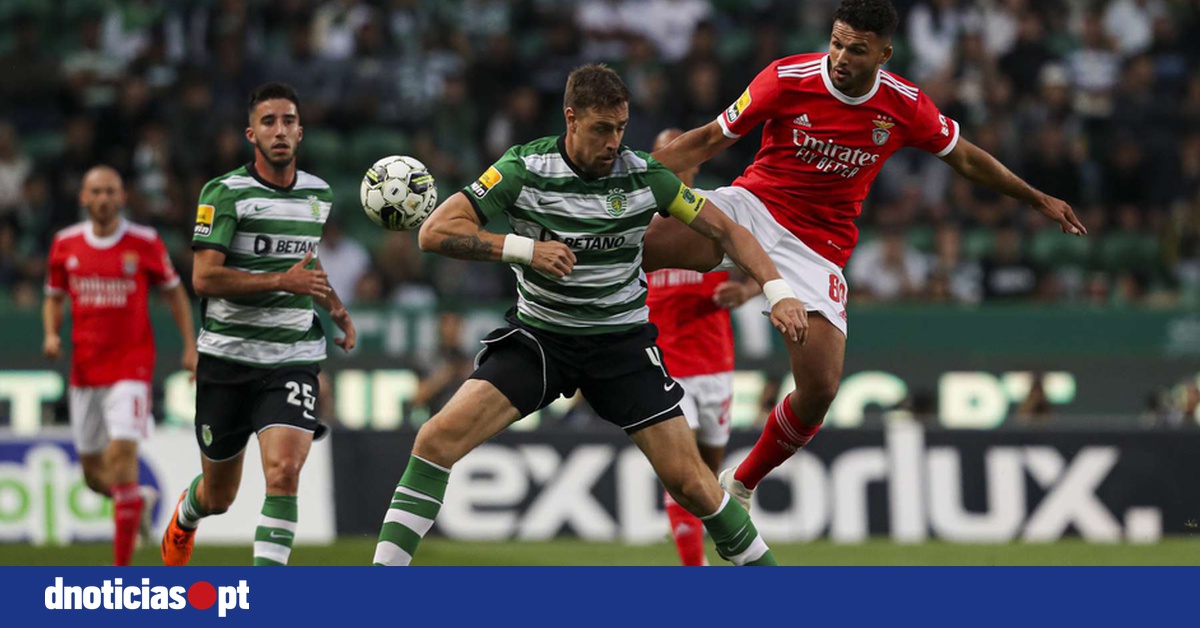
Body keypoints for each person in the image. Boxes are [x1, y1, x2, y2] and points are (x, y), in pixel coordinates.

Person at [643, 0, 1087, 510]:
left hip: (817, 249)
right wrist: (620, 184)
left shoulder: (904, 105)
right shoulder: (786, 78)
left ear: (884, 53)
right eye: (836, 43)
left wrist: (1036, 198)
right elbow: (704, 142)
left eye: (856, 49)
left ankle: (741, 483)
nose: (840, 58)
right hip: (753, 207)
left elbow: (965, 158)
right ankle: (557, 310)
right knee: (640, 245)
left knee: (820, 390)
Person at [372, 64, 807, 567]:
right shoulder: (523, 169)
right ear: (570, 118)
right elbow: (435, 232)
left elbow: (729, 232)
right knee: (435, 440)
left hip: (620, 344)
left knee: (694, 485)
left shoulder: (644, 175)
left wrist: (777, 290)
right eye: (602, 128)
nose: (613, 143)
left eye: (621, 128)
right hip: (541, 340)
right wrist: (524, 250)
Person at [160, 82, 357, 567]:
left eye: (289, 121)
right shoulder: (225, 193)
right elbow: (203, 278)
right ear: (252, 133)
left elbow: (305, 265)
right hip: (227, 360)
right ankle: (187, 514)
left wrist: (335, 307)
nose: (280, 130)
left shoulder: (318, 194)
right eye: (269, 122)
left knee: (285, 470)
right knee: (219, 496)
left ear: (301, 132)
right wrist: (282, 281)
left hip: (292, 357)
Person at [43, 165, 198, 566]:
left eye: (111, 191)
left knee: (123, 457)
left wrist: (189, 345)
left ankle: (121, 577)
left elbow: (174, 293)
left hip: (131, 366)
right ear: (83, 197)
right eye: (96, 191)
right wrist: (50, 333)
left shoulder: (144, 242)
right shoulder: (65, 244)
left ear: (122, 197)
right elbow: (54, 295)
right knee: (96, 476)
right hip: (85, 371)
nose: (103, 199)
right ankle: (135, 501)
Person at [644, 127, 759, 566]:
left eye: (675, 153)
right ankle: (694, 569)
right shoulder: (638, 219)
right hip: (664, 364)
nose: (668, 160)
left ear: (694, 162)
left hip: (714, 365)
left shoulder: (714, 216)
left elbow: (764, 258)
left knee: (708, 476)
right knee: (684, 473)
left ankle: (718, 551)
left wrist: (746, 293)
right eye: (661, 153)